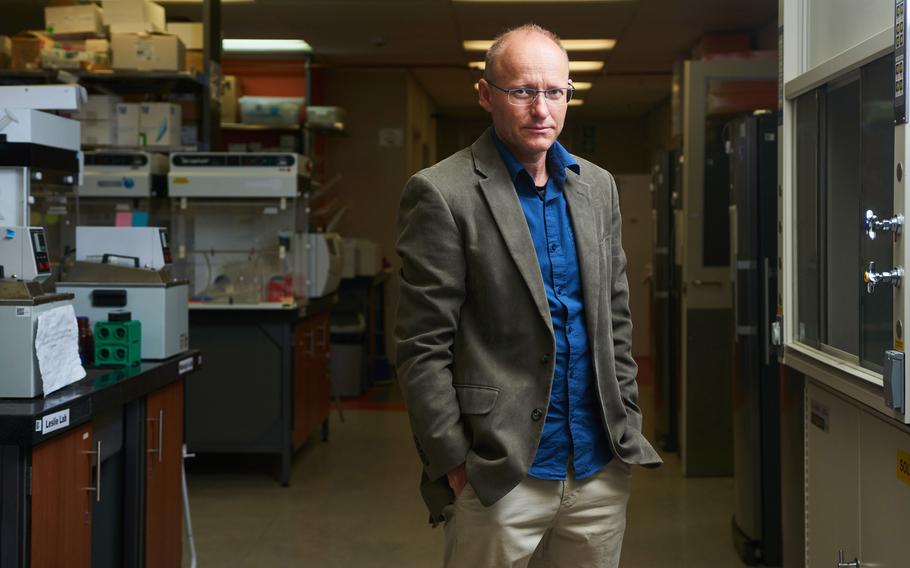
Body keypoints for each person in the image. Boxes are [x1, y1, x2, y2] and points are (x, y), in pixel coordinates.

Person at [395, 23, 662, 568]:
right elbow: (422, 344)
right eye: (523, 91)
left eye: (555, 91)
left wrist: (626, 417)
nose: (542, 109)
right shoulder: (443, 193)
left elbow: (614, 316)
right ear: (486, 94)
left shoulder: (598, 187)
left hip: (596, 466)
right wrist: (453, 460)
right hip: (499, 471)